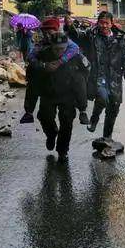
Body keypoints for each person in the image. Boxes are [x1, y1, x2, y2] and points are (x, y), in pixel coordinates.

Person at [65, 11, 125, 141]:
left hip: (114, 77)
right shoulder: (91, 35)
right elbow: (77, 36)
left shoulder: (119, 38)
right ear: (97, 23)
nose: (104, 26)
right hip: (98, 75)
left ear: (111, 23)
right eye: (101, 23)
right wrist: (69, 26)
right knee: (102, 98)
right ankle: (94, 118)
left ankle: (107, 137)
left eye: (106, 23)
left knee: (114, 107)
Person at [29, 27, 90, 162]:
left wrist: (81, 101)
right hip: (48, 94)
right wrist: (43, 66)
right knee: (45, 118)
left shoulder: (75, 55)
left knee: (67, 122)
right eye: (56, 49)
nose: (59, 52)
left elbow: (86, 71)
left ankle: (63, 149)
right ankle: (51, 135)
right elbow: (31, 69)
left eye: (62, 48)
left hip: (67, 95)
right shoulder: (42, 54)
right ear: (51, 46)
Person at [21, 17, 89, 125]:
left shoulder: (66, 42)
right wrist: (43, 65)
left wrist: (61, 61)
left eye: (50, 32)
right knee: (33, 78)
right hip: (47, 86)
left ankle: (83, 110)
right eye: (45, 32)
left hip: (66, 85)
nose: (47, 35)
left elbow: (76, 50)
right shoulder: (41, 45)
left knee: (79, 79)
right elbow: (31, 57)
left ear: (56, 30)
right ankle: (29, 111)